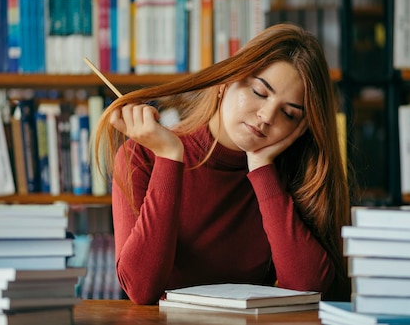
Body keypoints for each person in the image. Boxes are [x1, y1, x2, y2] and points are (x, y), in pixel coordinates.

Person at [94, 23, 352, 305]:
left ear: (301, 128)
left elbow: (309, 289)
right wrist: (168, 157)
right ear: (225, 83)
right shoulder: (142, 156)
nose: (266, 116)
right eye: (259, 92)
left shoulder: (292, 171)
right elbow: (141, 289)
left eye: (289, 113)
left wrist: (262, 169)